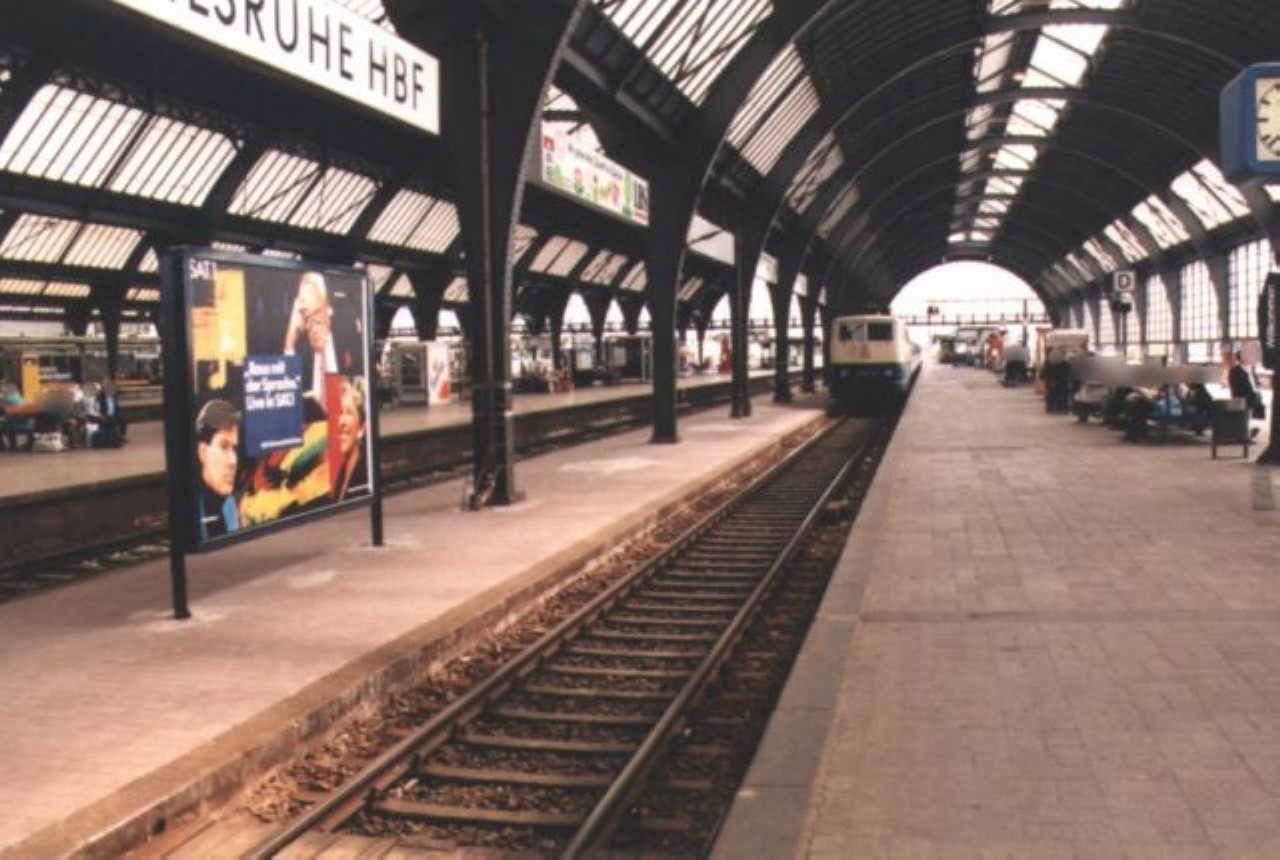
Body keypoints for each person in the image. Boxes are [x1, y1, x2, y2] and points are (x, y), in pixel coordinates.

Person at [283, 271, 360, 411]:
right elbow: (286, 396)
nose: (313, 327)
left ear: (329, 309)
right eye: (307, 318)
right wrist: (290, 341)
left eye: (317, 313)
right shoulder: (299, 354)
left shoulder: (350, 342)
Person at [196, 398, 241, 540]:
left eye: (234, 449)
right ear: (203, 452)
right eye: (224, 446)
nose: (233, 461)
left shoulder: (229, 502)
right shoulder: (192, 507)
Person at [332, 377, 369, 501]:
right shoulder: (341, 472)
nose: (341, 422)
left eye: (349, 413)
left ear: (362, 427)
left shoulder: (365, 473)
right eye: (340, 412)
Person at [1228, 351, 1265, 433]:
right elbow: (1235, 386)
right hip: (1242, 396)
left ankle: (1245, 432)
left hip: (1253, 395)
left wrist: (1257, 385)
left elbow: (1253, 380)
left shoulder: (1251, 369)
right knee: (1243, 415)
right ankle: (1242, 433)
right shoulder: (1235, 370)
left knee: (1249, 415)